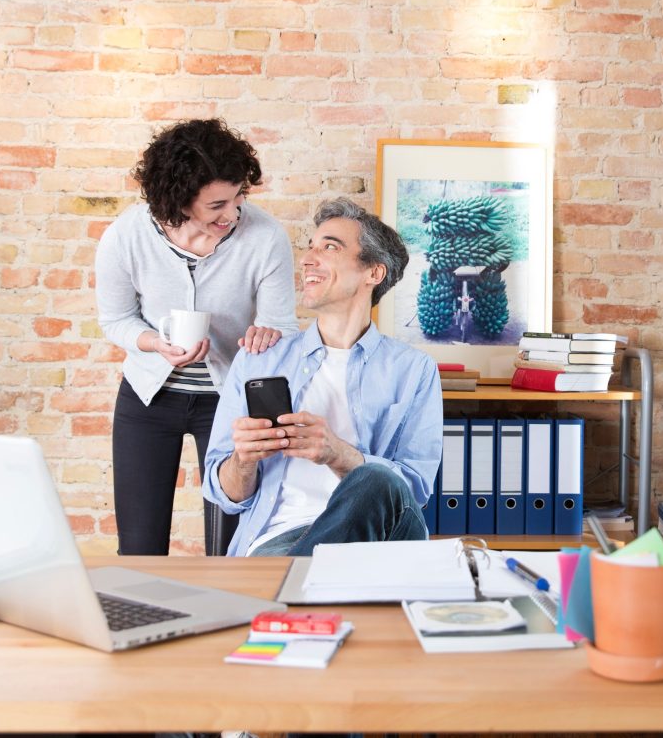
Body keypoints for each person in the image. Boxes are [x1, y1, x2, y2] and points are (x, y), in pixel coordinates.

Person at [95, 118, 299, 556]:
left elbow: (283, 325)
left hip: (231, 402)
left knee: (231, 543)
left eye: (239, 196)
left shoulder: (264, 238)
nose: (234, 213)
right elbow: (116, 320)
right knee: (139, 544)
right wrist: (155, 344)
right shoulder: (126, 237)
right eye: (217, 205)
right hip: (148, 399)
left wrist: (268, 334)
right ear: (180, 200)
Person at [202, 198, 442, 557]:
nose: (307, 259)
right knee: (310, 561)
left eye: (329, 247)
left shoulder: (413, 369)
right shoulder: (260, 360)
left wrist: (338, 454)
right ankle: (310, 576)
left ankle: (298, 587)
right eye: (310, 247)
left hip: (381, 541)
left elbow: (412, 490)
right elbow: (224, 495)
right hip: (281, 541)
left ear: (373, 273)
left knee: (376, 479)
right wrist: (245, 459)